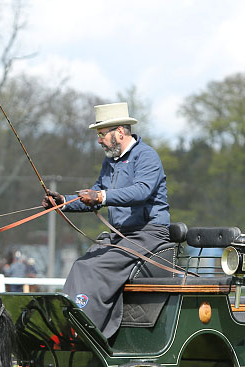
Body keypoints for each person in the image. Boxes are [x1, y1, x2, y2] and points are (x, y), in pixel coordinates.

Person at [41, 102, 170, 338]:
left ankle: (85, 332)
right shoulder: (110, 163)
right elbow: (93, 196)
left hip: (149, 233)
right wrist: (62, 201)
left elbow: (141, 191)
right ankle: (66, 324)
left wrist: (102, 196)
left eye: (102, 134)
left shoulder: (146, 156)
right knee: (82, 264)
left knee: (94, 268)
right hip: (122, 235)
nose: (99, 140)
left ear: (120, 132)